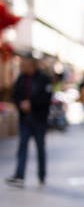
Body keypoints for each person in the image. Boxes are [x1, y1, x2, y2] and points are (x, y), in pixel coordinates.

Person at [5, 53, 52, 187]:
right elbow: (15, 95)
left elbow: (47, 98)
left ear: (32, 65)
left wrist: (32, 103)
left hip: (39, 119)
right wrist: (21, 104)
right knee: (22, 146)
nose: (23, 67)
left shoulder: (44, 79)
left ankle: (42, 175)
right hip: (25, 119)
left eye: (25, 64)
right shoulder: (21, 78)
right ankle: (19, 175)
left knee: (40, 148)